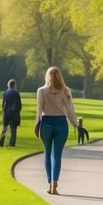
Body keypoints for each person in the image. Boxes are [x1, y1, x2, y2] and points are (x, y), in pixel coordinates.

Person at [36, 66, 79, 195]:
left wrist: (37, 125)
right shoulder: (65, 91)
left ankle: (49, 183)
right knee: (57, 155)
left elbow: (39, 111)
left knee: (47, 154)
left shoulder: (41, 91)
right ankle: (55, 183)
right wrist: (76, 124)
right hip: (61, 123)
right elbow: (70, 111)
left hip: (47, 123)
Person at [0, 79, 22, 147]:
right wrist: (17, 112)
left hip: (6, 112)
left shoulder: (5, 92)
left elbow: (3, 104)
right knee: (13, 129)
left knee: (5, 127)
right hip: (14, 113)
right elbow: (19, 105)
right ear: (14, 85)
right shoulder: (16, 93)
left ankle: (2, 137)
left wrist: (3, 111)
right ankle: (12, 143)